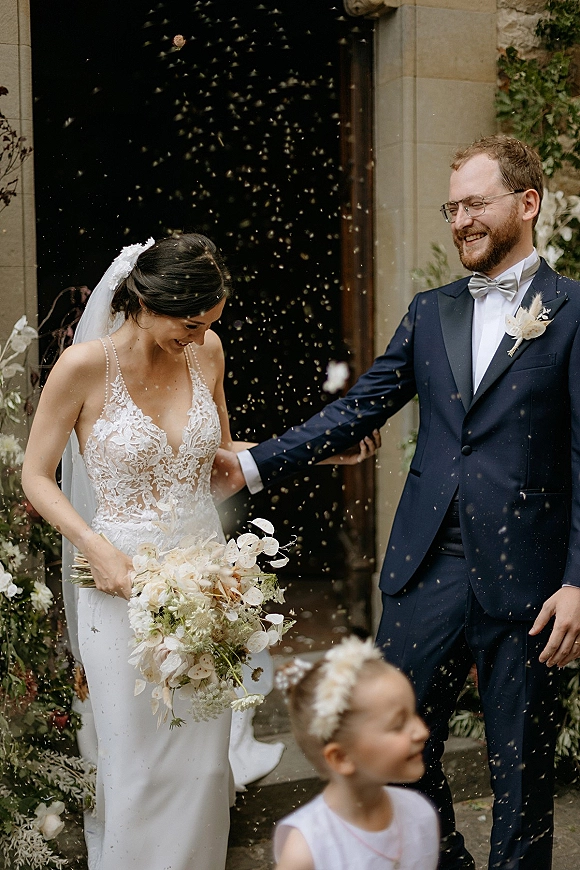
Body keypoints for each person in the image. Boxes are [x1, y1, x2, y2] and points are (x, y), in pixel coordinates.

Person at [218, 135, 580, 869]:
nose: (461, 221)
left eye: (476, 203)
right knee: (389, 746)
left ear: (528, 203)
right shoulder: (431, 310)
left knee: (522, 780)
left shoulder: (573, 310)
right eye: (452, 208)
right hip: (428, 570)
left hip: (533, 584)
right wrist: (253, 465)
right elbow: (359, 408)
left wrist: (577, 579)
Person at [22, 232, 378, 870]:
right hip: (118, 581)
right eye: (188, 324)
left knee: (203, 766)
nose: (198, 337)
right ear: (144, 303)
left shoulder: (206, 352)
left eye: (208, 324)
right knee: (135, 763)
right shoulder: (83, 367)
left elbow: (220, 461)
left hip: (208, 579)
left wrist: (323, 449)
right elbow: (37, 476)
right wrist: (94, 546)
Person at [272, 635, 439, 870]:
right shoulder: (307, 851)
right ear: (341, 758)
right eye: (398, 725)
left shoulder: (419, 814)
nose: (422, 731)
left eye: (414, 714)